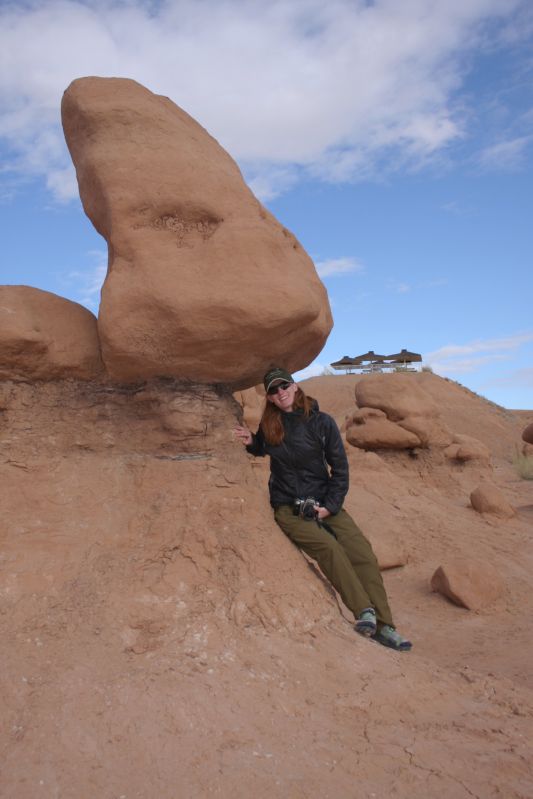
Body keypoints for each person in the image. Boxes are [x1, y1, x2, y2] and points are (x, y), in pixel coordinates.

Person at [234, 366, 412, 652]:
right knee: (330, 549)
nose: (280, 393)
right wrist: (252, 441)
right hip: (288, 507)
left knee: (363, 554)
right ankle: (364, 611)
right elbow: (263, 447)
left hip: (324, 502)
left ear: (294, 387)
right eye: (273, 390)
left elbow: (340, 469)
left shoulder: (322, 422)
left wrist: (329, 507)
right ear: (268, 397)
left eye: (284, 386)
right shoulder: (270, 425)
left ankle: (385, 627)